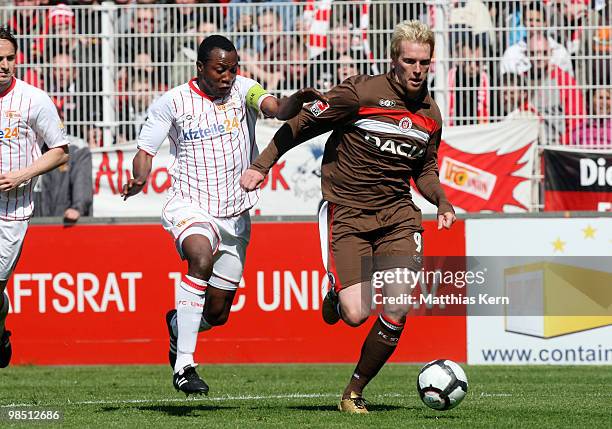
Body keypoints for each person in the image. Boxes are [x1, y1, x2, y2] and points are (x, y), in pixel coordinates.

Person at [240, 20, 456, 413]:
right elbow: (301, 125)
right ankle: (337, 298)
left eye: (424, 62)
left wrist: (441, 201)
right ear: (394, 60)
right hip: (349, 214)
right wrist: (261, 165)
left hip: (398, 217)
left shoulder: (431, 114)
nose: (417, 70)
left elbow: (425, 170)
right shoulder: (360, 92)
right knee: (356, 314)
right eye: (409, 61)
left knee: (397, 304)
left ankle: (353, 392)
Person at [120, 35, 326, 396]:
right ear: (200, 68)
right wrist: (139, 177)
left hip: (235, 213)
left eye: (232, 68)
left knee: (217, 314)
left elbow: (275, 108)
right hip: (190, 205)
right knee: (199, 258)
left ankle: (177, 326)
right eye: (219, 69)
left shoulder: (244, 89)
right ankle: (184, 364)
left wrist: (297, 100)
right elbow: (145, 150)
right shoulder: (172, 103)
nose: (228, 76)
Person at [0, 27, 70, 368]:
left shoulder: (34, 99)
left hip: (11, 212)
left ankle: (0, 333)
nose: (4, 65)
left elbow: (59, 152)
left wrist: (21, 175)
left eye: (10, 58)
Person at [33, 136, 93, 223]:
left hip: (64, 222)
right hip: (28, 225)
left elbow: (82, 183)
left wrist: (77, 208)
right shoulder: (27, 146)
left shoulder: (76, 148)